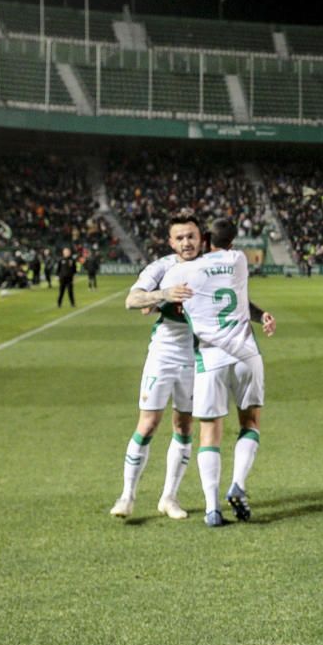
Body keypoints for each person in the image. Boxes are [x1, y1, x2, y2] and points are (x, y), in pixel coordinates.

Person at [161, 218, 276, 527]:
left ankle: (212, 509)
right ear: (233, 242)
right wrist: (260, 313)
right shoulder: (238, 260)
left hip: (209, 359)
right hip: (246, 355)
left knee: (209, 432)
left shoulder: (184, 271)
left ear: (205, 238)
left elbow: (162, 300)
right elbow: (237, 298)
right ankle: (237, 482)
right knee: (250, 423)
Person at [110, 213, 202, 520]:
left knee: (185, 426)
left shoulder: (212, 266)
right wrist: (163, 294)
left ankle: (169, 497)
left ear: (200, 238)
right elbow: (131, 300)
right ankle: (127, 496)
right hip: (163, 353)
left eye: (191, 236)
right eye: (180, 237)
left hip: (196, 356)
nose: (186, 242)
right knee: (148, 424)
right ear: (171, 241)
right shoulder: (162, 267)